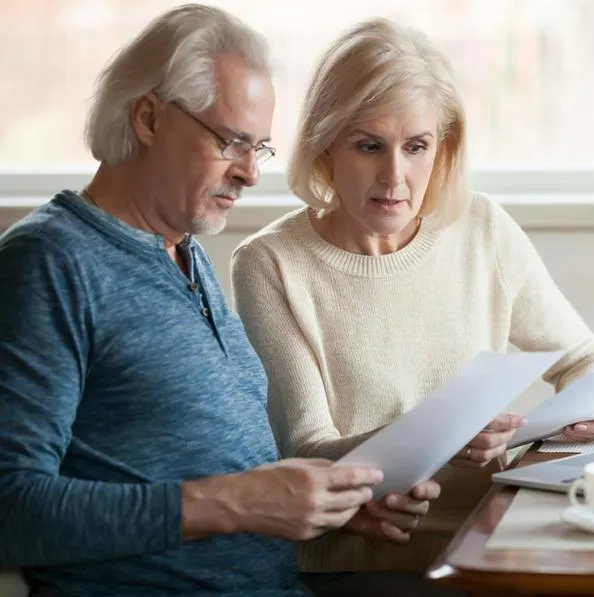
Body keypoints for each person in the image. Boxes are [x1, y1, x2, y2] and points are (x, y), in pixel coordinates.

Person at [0, 6, 444, 597]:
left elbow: (203, 480)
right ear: (150, 118)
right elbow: (11, 509)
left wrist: (321, 509)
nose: (250, 174)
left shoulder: (184, 254)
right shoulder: (49, 263)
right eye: (232, 141)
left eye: (258, 148)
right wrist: (235, 502)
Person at [231, 17, 594, 596]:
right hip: (359, 564)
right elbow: (308, 449)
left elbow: (585, 360)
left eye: (416, 146)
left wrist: (548, 437)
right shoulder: (271, 263)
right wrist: (443, 434)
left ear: (442, 146)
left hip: (486, 545)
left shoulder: (482, 228)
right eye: (368, 145)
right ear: (326, 144)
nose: (394, 177)